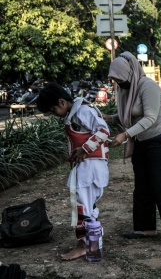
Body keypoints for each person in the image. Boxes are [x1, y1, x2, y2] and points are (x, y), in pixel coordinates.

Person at [104, 52, 161, 243]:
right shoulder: (124, 90)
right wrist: (109, 118)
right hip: (141, 140)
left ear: (129, 73)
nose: (118, 83)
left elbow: (149, 117)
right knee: (142, 186)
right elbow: (128, 114)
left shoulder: (148, 87)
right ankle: (145, 228)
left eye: (120, 79)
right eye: (115, 80)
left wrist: (125, 134)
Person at [36, 82, 110, 260]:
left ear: (61, 102)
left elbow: (103, 131)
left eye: (53, 110)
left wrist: (84, 149)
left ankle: (84, 245)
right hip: (89, 165)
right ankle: (90, 243)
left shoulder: (82, 111)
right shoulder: (77, 112)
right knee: (86, 204)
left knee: (82, 204)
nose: (54, 114)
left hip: (89, 165)